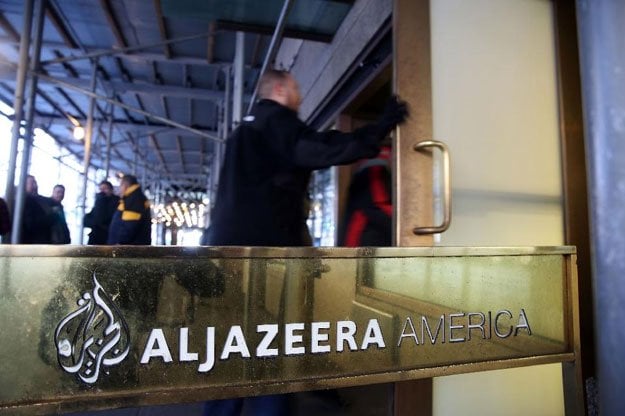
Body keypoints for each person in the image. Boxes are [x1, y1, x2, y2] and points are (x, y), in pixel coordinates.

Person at [207, 69, 408, 247]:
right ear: (279, 90)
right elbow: (322, 149)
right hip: (264, 243)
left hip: (224, 241)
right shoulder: (277, 122)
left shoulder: (241, 132)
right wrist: (378, 130)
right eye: (295, 89)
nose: (300, 97)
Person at [339, 144, 393, 247]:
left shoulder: (365, 172)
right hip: (365, 246)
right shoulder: (374, 170)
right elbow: (378, 206)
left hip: (357, 246)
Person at [107, 174, 151, 245]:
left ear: (125, 185)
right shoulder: (133, 198)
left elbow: (130, 226)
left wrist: (119, 243)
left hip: (128, 249)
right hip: (130, 247)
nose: (120, 189)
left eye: (120, 186)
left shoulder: (134, 200)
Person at [20, 175, 54, 244]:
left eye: (35, 183)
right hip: (29, 244)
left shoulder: (37, 200)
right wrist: (51, 217)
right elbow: (31, 224)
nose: (35, 186)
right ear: (24, 185)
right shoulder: (24, 201)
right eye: (32, 183)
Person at [84, 180, 120, 245]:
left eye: (105, 189)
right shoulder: (99, 202)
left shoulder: (116, 203)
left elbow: (102, 219)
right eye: (101, 189)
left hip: (108, 239)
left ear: (111, 190)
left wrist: (96, 223)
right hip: (95, 238)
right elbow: (86, 220)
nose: (102, 192)